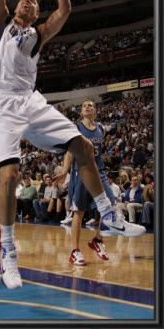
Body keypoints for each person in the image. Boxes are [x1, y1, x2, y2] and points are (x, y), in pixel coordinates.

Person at [0, 0, 145, 289]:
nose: (29, 1)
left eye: (35, 2)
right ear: (14, 7)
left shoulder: (37, 35)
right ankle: (8, 254)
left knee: (84, 145)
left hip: (31, 100)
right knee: (8, 177)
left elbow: (65, 9)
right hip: (1, 106)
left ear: (37, 16)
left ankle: (109, 215)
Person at [54, 99, 116, 265]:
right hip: (80, 172)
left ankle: (97, 240)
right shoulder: (76, 128)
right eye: (85, 105)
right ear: (81, 110)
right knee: (79, 212)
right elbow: (69, 152)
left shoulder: (101, 128)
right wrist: (65, 171)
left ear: (95, 110)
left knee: (110, 207)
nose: (88, 107)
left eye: (91, 105)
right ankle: (75, 251)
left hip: (99, 172)